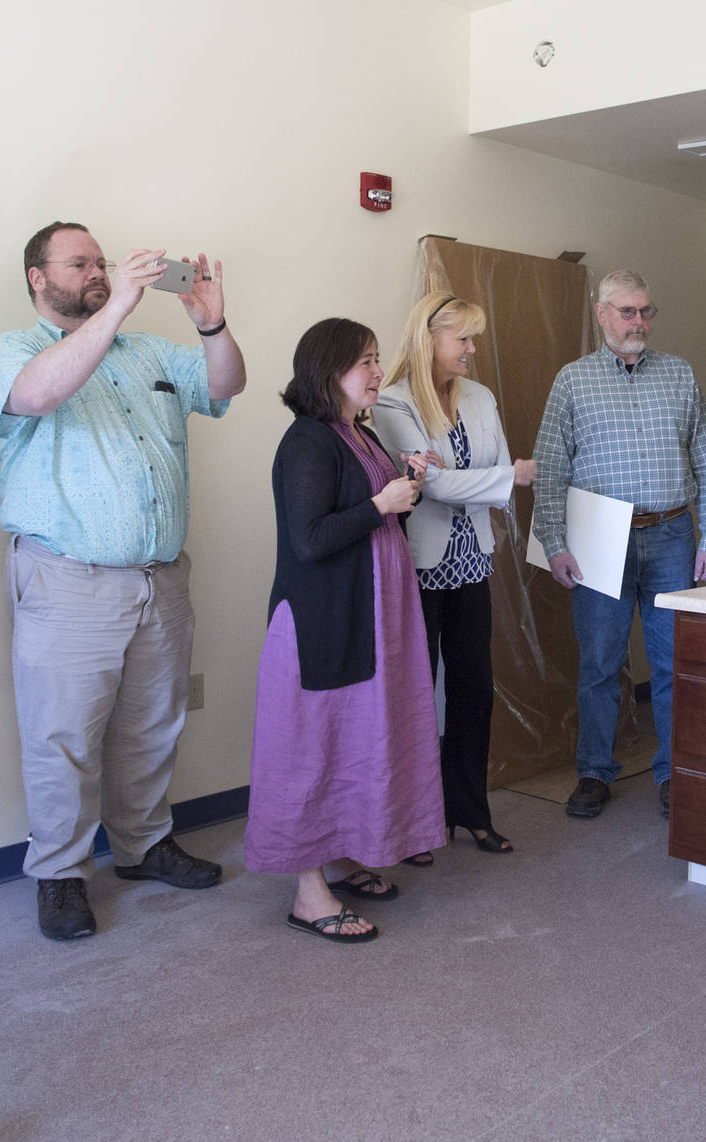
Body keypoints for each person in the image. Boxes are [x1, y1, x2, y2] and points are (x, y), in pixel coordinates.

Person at [0, 222, 247, 940]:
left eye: (102, 262)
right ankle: (61, 874)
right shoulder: (17, 351)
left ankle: (143, 844)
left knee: (152, 724)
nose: (97, 270)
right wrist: (118, 307)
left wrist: (213, 323)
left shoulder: (151, 352)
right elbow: (35, 396)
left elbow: (225, 385)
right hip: (68, 579)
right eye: (81, 262)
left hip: (159, 579)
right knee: (61, 736)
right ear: (39, 277)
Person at [244, 318, 444, 944]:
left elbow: (370, 507)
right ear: (329, 372)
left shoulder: (356, 433)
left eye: (377, 360)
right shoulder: (307, 440)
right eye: (366, 362)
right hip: (323, 623)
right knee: (313, 752)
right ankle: (309, 894)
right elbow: (310, 540)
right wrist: (381, 504)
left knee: (358, 740)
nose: (377, 373)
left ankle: (347, 855)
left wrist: (405, 481)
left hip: (367, 614)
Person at [532, 269, 706, 821]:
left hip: (671, 534)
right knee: (599, 663)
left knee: (673, 663)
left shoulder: (680, 376)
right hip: (599, 537)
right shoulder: (572, 381)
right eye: (628, 312)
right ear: (602, 315)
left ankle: (673, 772)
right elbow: (550, 470)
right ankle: (594, 772)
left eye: (646, 311)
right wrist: (554, 542)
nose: (639, 322)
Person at [373, 292, 536, 862]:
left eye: (473, 338)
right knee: (416, 694)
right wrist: (501, 477)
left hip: (472, 556)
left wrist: (492, 474)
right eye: (462, 338)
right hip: (419, 562)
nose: (472, 349)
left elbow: (491, 464)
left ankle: (469, 811)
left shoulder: (480, 396)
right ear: (429, 340)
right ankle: (412, 822)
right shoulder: (392, 402)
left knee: (474, 689)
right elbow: (435, 485)